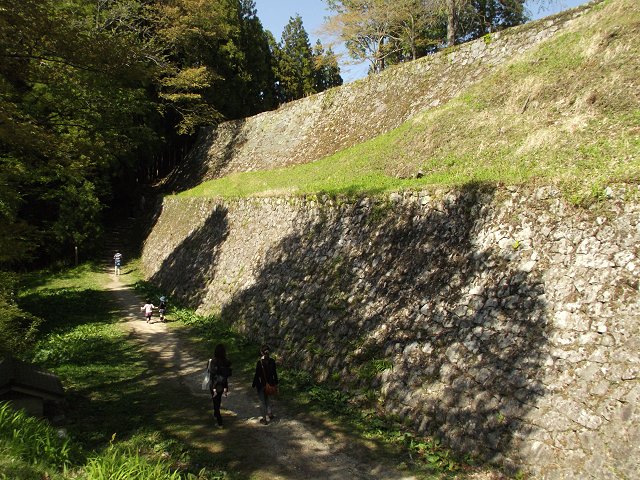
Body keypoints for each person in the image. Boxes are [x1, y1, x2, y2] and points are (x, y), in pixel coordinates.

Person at [252, 344, 278, 425]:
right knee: (267, 399)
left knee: (262, 401)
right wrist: (276, 383)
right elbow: (275, 373)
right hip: (270, 384)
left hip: (261, 385)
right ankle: (270, 414)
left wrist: (253, 384)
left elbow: (257, 375)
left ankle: (264, 419)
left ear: (261, 352)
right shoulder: (272, 361)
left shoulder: (260, 362)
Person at [209, 344, 232, 427]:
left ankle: (219, 421)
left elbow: (211, 373)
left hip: (214, 384)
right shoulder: (226, 362)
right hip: (223, 384)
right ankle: (216, 414)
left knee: (215, 401)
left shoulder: (213, 362)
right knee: (218, 399)